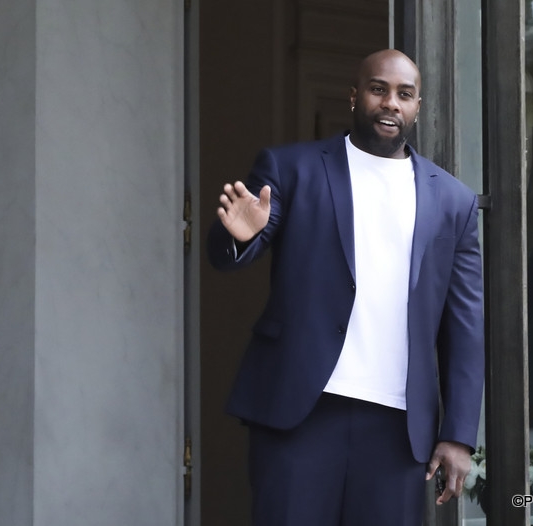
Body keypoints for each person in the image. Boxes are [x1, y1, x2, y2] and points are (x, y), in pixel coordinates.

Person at [207, 49, 484, 526]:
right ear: (355, 97)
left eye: (404, 94)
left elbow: (464, 325)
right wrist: (238, 236)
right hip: (301, 410)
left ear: (418, 106)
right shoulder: (292, 169)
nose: (390, 103)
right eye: (379, 90)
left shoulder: (454, 202)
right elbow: (238, 246)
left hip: (399, 425)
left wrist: (458, 434)